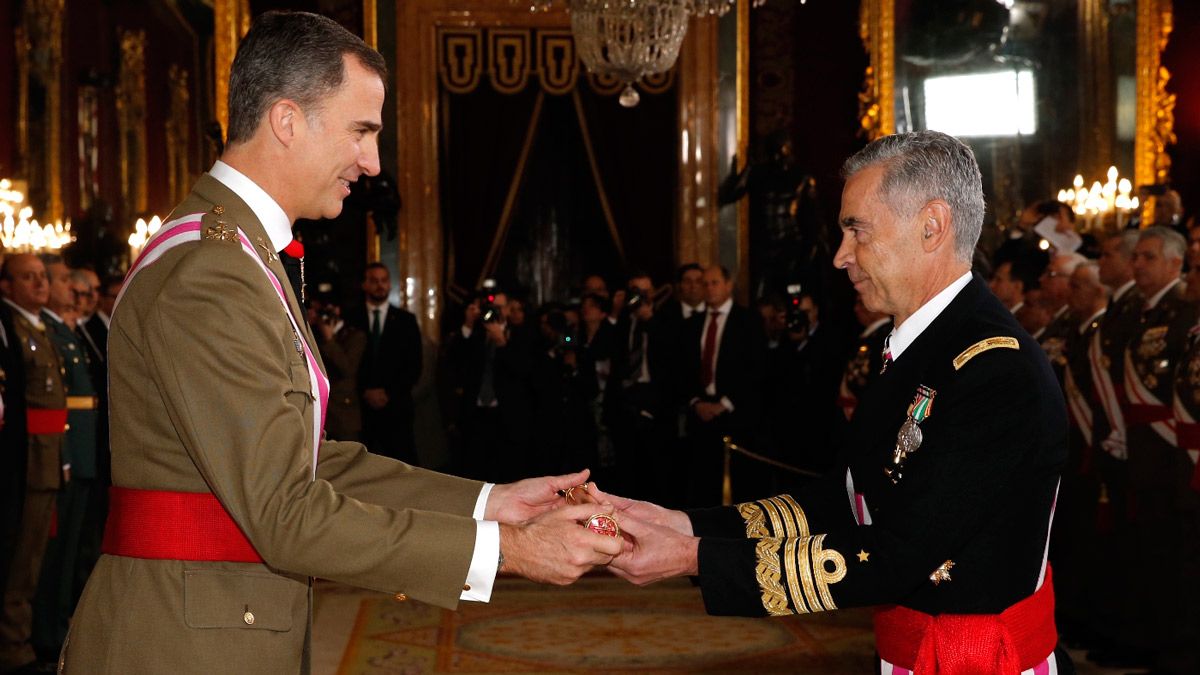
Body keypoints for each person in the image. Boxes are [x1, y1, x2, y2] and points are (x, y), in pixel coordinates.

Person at [62, 13, 621, 674]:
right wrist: (510, 549)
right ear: (287, 120)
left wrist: (491, 504)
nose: (372, 162)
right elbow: (286, 510)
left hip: (219, 619)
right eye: (361, 131)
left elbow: (304, 462)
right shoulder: (212, 272)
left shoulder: (238, 253)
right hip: (182, 641)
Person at [603, 131, 1072, 674]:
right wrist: (685, 525)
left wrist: (693, 559)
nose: (840, 256)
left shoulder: (996, 369)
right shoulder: (920, 349)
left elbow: (899, 554)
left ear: (932, 225)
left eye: (857, 230)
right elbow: (847, 499)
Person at [0, 255, 67, 674]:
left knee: (36, 558)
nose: (40, 284)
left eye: (43, 276)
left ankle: (24, 640)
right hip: (27, 458)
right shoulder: (11, 326)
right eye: (28, 277)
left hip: (48, 456)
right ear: (6, 285)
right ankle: (13, 648)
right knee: (19, 559)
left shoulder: (39, 327)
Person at [345, 263, 422, 463]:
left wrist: (388, 393)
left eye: (384, 280)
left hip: (396, 409)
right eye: (374, 281)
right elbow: (345, 364)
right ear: (364, 285)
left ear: (389, 284)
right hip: (360, 411)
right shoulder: (350, 318)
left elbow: (414, 365)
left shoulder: (406, 320)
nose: (380, 285)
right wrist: (365, 391)